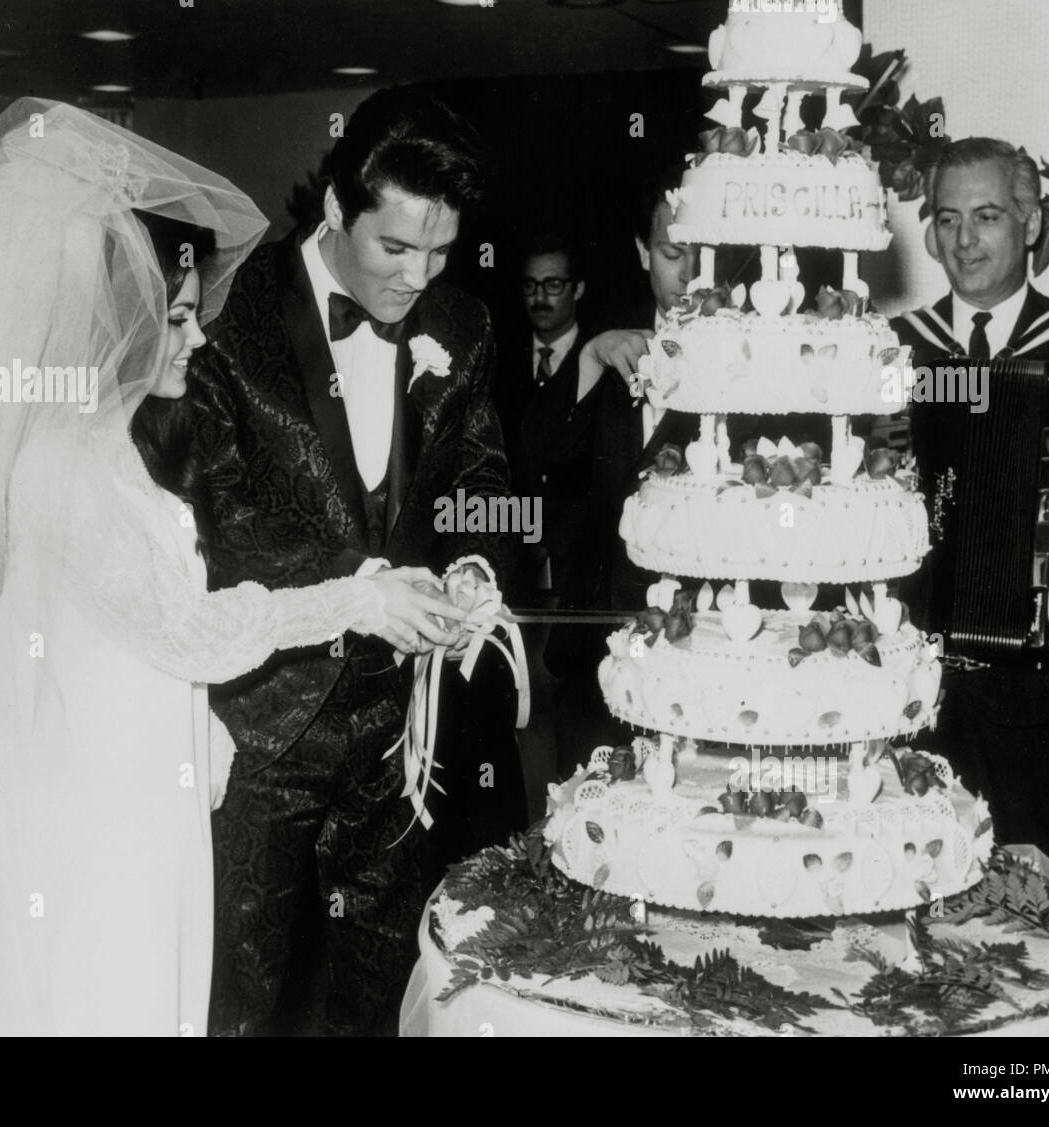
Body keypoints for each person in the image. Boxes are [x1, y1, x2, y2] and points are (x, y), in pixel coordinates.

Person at [0, 100, 464, 1036]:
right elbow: (190, 631)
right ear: (120, 325)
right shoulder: (68, 464)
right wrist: (358, 598)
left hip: (130, 790)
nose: (199, 338)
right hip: (93, 819)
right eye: (178, 317)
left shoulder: (102, 445)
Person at [187, 87, 519, 1036]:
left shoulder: (462, 328)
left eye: (442, 250)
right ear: (336, 209)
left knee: (376, 994)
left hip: (396, 739)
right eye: (396, 248)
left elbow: (480, 479)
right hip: (260, 729)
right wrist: (351, 597)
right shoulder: (222, 328)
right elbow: (208, 538)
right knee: (231, 997)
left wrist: (475, 571)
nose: (420, 277)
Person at [891, 136, 1049, 899]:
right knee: (912, 917)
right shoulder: (895, 351)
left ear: (1031, 224)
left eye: (988, 216)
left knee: (1045, 920)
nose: (964, 240)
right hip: (911, 695)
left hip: (1046, 705)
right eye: (947, 218)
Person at [543, 168, 701, 777]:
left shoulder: (758, 378)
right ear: (643, 251)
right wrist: (585, 357)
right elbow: (538, 457)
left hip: (700, 664)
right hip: (593, 662)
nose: (689, 274)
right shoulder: (610, 353)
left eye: (705, 254)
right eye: (672, 252)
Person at [497, 234, 592, 598]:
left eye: (553, 284)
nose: (540, 297)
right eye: (530, 286)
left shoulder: (602, 360)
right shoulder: (498, 363)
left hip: (579, 572)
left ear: (578, 288)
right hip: (518, 563)